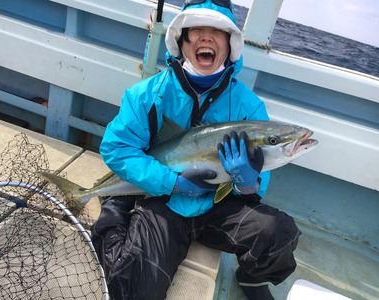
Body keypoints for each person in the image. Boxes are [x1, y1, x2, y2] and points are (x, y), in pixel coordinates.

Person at [91, 1, 300, 299]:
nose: (205, 38)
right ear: (182, 41)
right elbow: (116, 149)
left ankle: (252, 278)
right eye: (196, 30)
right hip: (164, 201)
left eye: (217, 31)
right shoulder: (147, 95)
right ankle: (115, 214)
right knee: (135, 288)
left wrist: (249, 182)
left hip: (220, 208)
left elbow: (261, 174)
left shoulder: (248, 107)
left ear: (231, 45)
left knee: (278, 233)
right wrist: (171, 183)